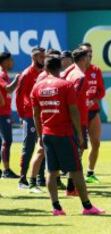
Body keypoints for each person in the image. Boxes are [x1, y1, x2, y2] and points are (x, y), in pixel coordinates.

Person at [31, 55, 104, 216]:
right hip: (64, 134)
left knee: (51, 171)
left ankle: (56, 208)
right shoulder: (66, 85)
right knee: (76, 170)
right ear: (60, 68)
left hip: (47, 134)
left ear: (45, 68)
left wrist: (39, 135)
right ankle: (87, 206)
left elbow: (36, 115)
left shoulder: (37, 87)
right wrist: (79, 133)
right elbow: (73, 111)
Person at [27, 49, 66, 193]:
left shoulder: (54, 76)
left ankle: (55, 180)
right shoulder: (43, 77)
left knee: (53, 152)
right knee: (40, 150)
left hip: (53, 118)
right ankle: (32, 182)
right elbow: (37, 99)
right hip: (46, 119)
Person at [16, 47, 45, 187]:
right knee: (28, 147)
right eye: (41, 57)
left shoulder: (44, 73)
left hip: (43, 115)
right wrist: (22, 116)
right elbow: (19, 96)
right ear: (34, 58)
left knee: (43, 145)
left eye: (44, 57)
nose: (43, 59)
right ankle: (22, 179)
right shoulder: (26, 74)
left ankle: (41, 178)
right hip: (30, 116)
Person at [63, 48, 90, 195]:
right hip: (77, 120)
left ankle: (71, 187)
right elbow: (72, 97)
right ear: (83, 59)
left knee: (76, 152)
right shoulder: (79, 76)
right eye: (88, 56)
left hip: (75, 118)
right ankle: (71, 188)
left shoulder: (70, 71)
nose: (90, 59)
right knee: (77, 153)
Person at [79, 43, 105, 184]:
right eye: (86, 52)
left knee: (96, 143)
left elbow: (101, 91)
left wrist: (93, 100)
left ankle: (90, 172)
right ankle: (75, 174)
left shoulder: (96, 70)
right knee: (80, 145)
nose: (89, 54)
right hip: (79, 114)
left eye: (91, 52)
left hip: (93, 111)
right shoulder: (75, 71)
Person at [0, 52, 19, 178]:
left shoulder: (4, 74)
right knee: (7, 141)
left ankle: (5, 170)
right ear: (5, 61)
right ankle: (6, 170)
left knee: (5, 141)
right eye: (10, 60)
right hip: (1, 114)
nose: (12, 62)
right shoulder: (1, 74)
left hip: (4, 113)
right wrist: (18, 79)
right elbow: (8, 89)